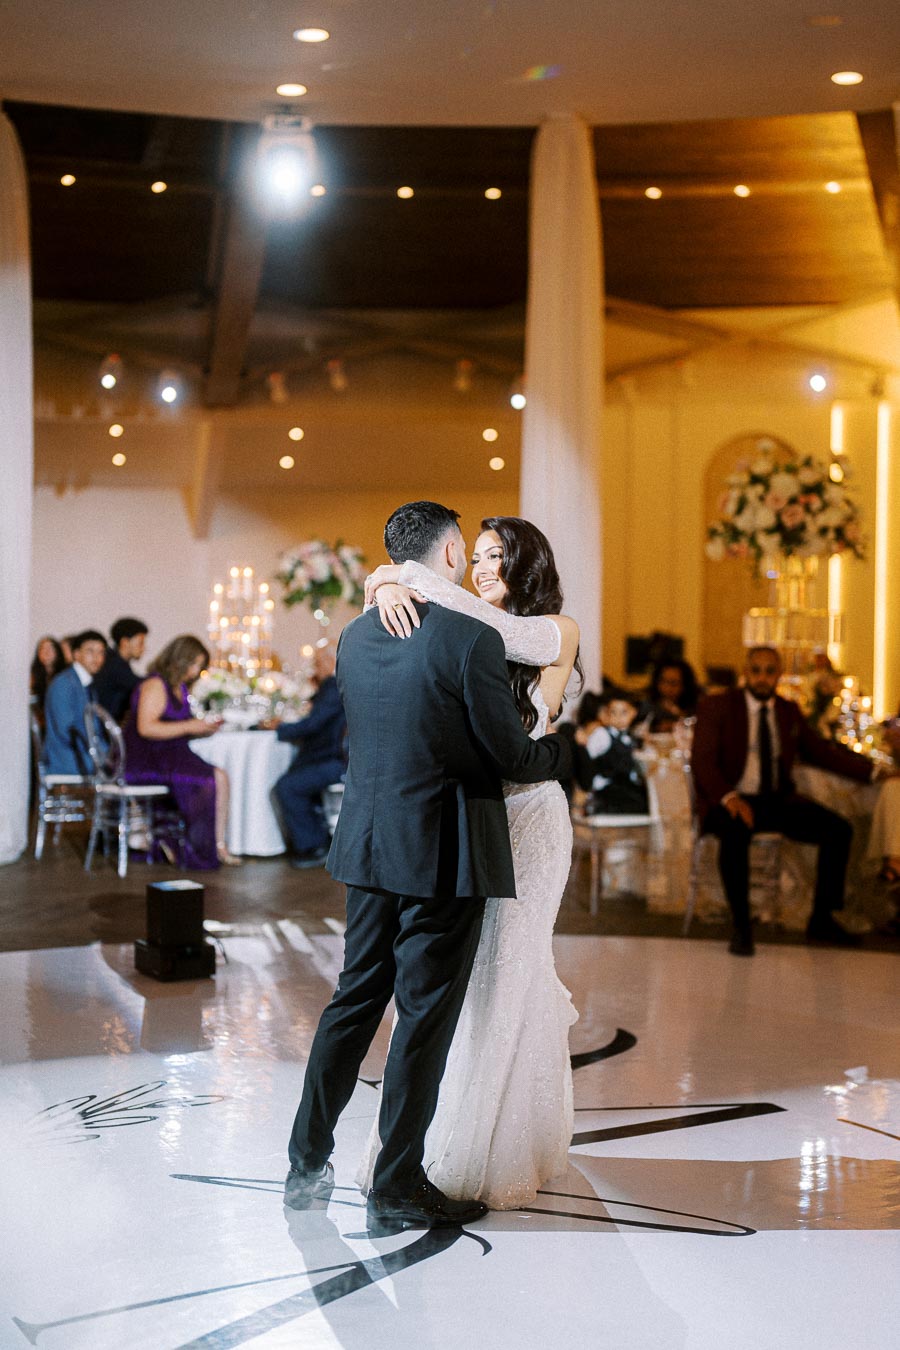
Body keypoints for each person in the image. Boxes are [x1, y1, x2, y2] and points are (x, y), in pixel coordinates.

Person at [284, 501, 572, 1235]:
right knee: (422, 1021)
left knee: (352, 1003)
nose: (474, 566)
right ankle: (397, 1184)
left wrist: (381, 583)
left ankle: (305, 1158)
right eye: (468, 553)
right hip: (445, 851)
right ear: (450, 556)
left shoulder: (355, 634)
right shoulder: (470, 639)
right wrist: (561, 756)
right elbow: (508, 755)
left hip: (371, 845)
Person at [358, 512, 581, 1210]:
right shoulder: (458, 627)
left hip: (533, 824)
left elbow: (511, 649)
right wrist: (385, 581)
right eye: (476, 557)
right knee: (464, 985)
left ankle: (493, 1151)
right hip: (475, 821)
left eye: (496, 557)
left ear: (527, 565)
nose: (482, 569)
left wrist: (395, 575)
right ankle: (439, 1140)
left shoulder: (554, 631)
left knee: (512, 972)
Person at [691, 645, 880, 956]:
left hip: (775, 801)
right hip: (729, 799)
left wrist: (873, 773)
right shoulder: (719, 706)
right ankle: (742, 926)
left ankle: (822, 919)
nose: (762, 678)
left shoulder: (787, 710)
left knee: (838, 830)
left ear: (778, 675)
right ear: (745, 673)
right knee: (735, 836)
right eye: (756, 670)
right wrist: (729, 797)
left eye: (769, 671)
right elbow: (703, 762)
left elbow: (820, 752)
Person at [122, 635, 235, 869]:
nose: (195, 671)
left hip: (171, 754)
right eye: (193, 664)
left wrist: (202, 729)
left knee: (221, 777)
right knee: (208, 781)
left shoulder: (178, 688)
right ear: (178, 659)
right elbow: (146, 727)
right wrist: (190, 726)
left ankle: (216, 845)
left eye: (199, 666)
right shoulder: (155, 685)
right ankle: (193, 847)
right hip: (147, 759)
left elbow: (177, 726)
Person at [272, 641, 347, 868]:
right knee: (293, 780)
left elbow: (312, 725)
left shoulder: (334, 686)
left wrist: (278, 729)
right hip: (332, 756)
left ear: (331, 661)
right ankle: (315, 839)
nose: (315, 667)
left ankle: (313, 846)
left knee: (288, 786)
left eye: (319, 661)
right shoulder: (334, 685)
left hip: (335, 761)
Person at [574, 687, 649, 815]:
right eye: (613, 712)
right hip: (606, 788)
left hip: (624, 785)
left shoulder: (628, 737)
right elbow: (587, 761)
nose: (618, 717)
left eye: (624, 712)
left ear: (633, 713)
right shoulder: (602, 735)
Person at [42, 629, 107, 775]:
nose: (96, 657)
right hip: (67, 763)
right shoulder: (64, 683)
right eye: (90, 651)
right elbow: (67, 731)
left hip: (83, 760)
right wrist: (102, 755)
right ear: (76, 654)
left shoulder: (86, 685)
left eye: (101, 652)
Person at [93, 617, 149, 722]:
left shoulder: (115, 661)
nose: (144, 648)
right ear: (125, 642)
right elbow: (141, 685)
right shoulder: (114, 665)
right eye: (140, 643)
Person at [638, 657, 700, 735]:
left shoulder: (694, 704)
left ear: (685, 685)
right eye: (662, 681)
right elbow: (639, 728)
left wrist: (678, 714)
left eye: (673, 683)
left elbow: (699, 727)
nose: (667, 688)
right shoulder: (649, 704)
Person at [29, 636, 67, 719]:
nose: (46, 652)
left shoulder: (65, 676)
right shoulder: (33, 676)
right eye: (42, 649)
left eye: (50, 648)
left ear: (57, 652)